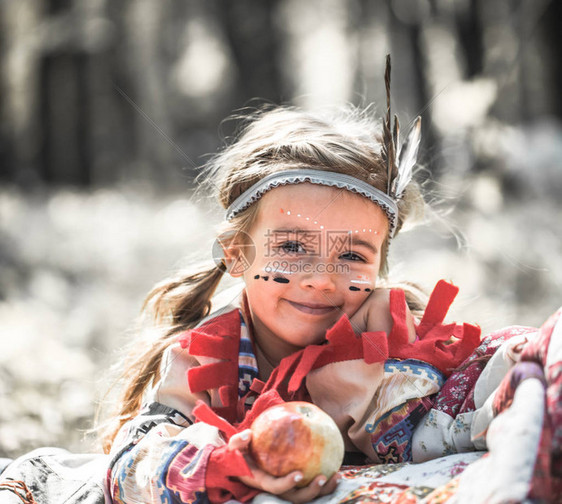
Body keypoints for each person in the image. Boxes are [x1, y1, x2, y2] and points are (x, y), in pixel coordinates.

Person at [96, 59, 486, 504]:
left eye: (352, 255)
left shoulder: (397, 342)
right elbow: (133, 463)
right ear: (237, 254)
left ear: (379, 268)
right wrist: (230, 469)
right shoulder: (204, 359)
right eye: (293, 248)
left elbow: (469, 404)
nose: (322, 279)